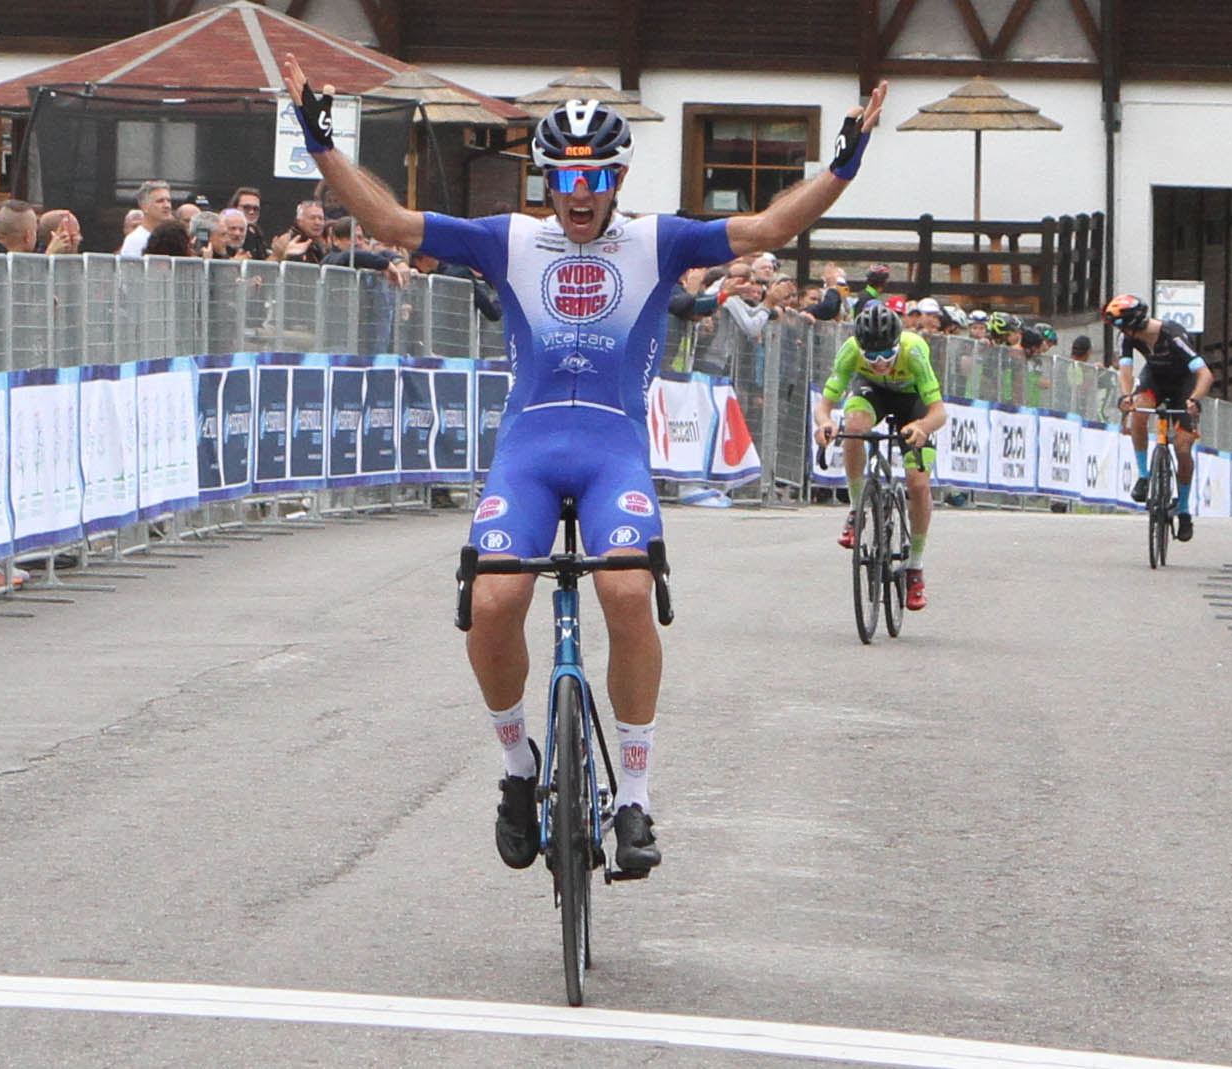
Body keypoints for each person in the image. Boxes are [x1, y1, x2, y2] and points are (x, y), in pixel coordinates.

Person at [281, 52, 886, 873]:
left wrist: (843, 162)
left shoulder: (658, 240)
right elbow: (389, 222)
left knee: (626, 590)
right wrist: (323, 146)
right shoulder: (507, 239)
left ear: (617, 178)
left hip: (611, 450)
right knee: (493, 602)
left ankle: (633, 794)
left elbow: (768, 229)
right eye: (563, 176)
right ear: (545, 178)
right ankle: (516, 767)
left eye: (594, 177)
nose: (577, 193)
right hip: (528, 450)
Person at [813, 304, 945, 611]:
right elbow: (825, 406)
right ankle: (857, 508)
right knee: (854, 427)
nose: (881, 362)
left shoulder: (914, 350)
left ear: (898, 344)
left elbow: (939, 412)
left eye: (887, 354)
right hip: (871, 392)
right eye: (872, 357)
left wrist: (922, 427)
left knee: (918, 485)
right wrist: (825, 423)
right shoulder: (850, 351)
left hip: (913, 403)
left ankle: (915, 567)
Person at [1103, 293, 1214, 541]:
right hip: (1154, 379)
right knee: (1138, 410)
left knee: (1182, 448)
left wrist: (1195, 399)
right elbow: (1125, 370)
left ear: (1135, 324)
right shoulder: (1127, 337)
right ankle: (1144, 476)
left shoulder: (1172, 336)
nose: (1123, 333)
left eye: (1124, 328)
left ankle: (1183, 510)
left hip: (1184, 385)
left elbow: (1205, 374)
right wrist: (1126, 396)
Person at [121, 180, 173, 258]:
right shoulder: (134, 240)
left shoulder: (174, 238)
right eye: (160, 201)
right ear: (144, 207)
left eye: (169, 201)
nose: (167, 205)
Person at [226, 187, 269, 260]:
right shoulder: (223, 231)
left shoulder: (257, 235)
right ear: (234, 207)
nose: (251, 212)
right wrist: (234, 262)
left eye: (256, 209)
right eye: (246, 207)